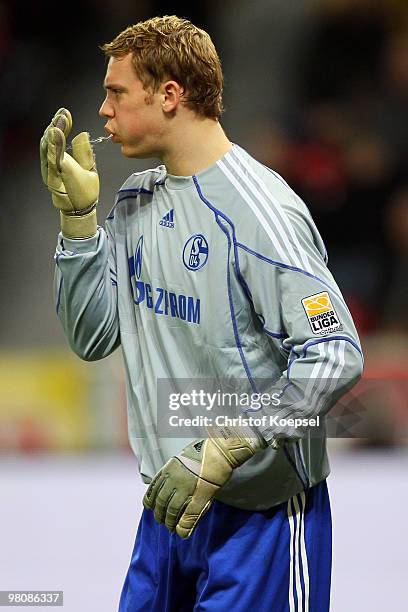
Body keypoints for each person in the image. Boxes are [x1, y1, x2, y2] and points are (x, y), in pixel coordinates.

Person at [40, 15, 363, 612]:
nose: (102, 111)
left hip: (262, 520)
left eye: (115, 92)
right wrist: (79, 226)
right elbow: (92, 336)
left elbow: (336, 352)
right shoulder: (136, 199)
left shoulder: (262, 212)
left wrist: (227, 444)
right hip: (169, 512)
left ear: (169, 95)